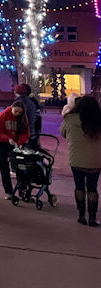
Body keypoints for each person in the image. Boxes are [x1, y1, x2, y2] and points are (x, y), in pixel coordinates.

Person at [60, 94, 101, 226]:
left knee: (79, 186)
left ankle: (81, 215)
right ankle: (92, 218)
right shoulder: (98, 120)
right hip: (95, 160)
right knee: (92, 187)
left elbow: (63, 133)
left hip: (76, 159)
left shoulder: (70, 118)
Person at [0, 98, 30, 198]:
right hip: (3, 142)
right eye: (16, 111)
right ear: (11, 108)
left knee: (20, 166)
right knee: (4, 166)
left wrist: (20, 142)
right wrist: (8, 139)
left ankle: (22, 190)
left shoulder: (22, 118)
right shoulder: (3, 116)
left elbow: (25, 133)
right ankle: (8, 191)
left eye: (19, 112)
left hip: (16, 143)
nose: (17, 114)